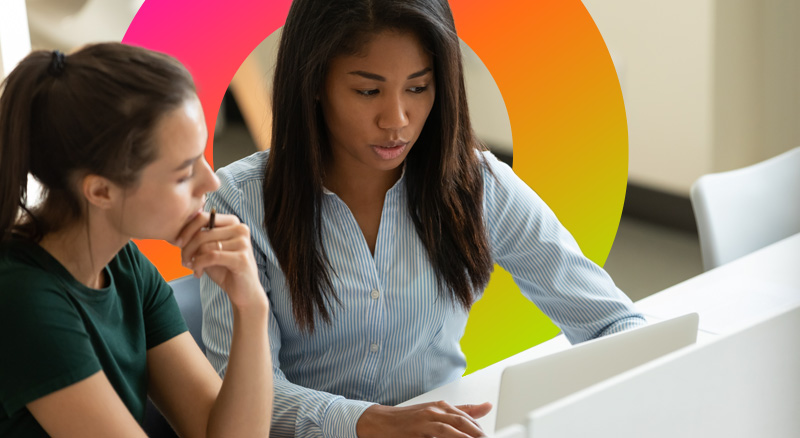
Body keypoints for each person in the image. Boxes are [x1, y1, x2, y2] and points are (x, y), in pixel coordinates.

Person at [200, 0, 647, 436]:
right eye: (368, 91)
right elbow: (244, 400)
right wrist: (366, 422)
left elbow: (613, 323)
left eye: (418, 87)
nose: (396, 120)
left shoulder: (477, 184)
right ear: (313, 82)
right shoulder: (239, 202)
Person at [0, 43, 272, 437]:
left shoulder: (124, 264)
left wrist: (252, 306)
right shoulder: (25, 299)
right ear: (101, 191)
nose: (211, 181)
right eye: (183, 173)